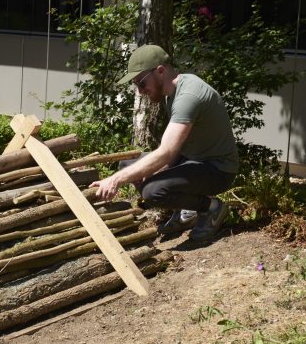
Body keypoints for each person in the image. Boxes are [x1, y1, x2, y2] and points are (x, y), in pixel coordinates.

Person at [90, 44, 239, 242]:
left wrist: (116, 179)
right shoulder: (172, 93)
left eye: (141, 83)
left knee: (152, 191)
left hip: (218, 169)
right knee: (128, 165)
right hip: (194, 160)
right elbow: (176, 150)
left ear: (160, 71)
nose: (140, 91)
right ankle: (186, 210)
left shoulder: (188, 96)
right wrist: (151, 171)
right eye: (136, 85)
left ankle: (212, 208)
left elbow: (167, 152)